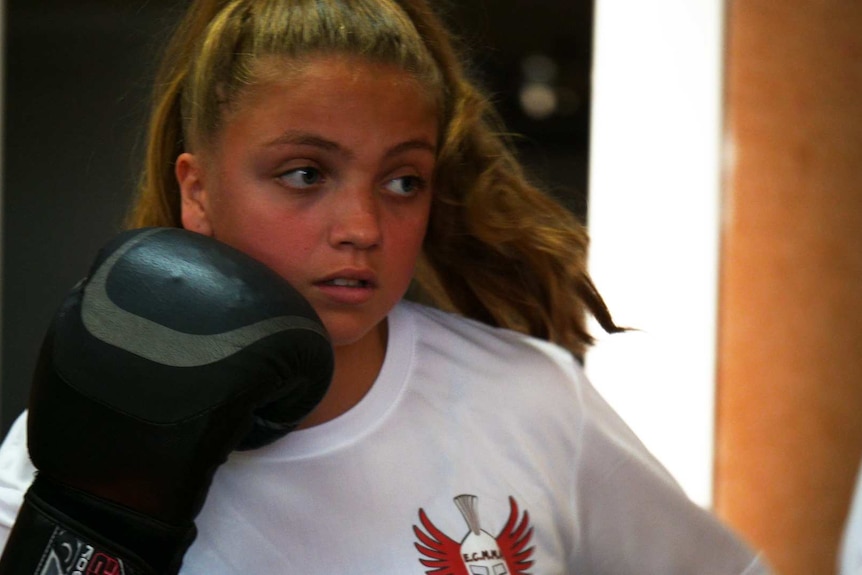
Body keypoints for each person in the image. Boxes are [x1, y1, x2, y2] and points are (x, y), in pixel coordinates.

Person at [0, 0, 774, 573]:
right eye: (305, 174)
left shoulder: (532, 402)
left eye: (404, 181)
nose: (363, 225)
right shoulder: (65, 448)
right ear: (197, 192)